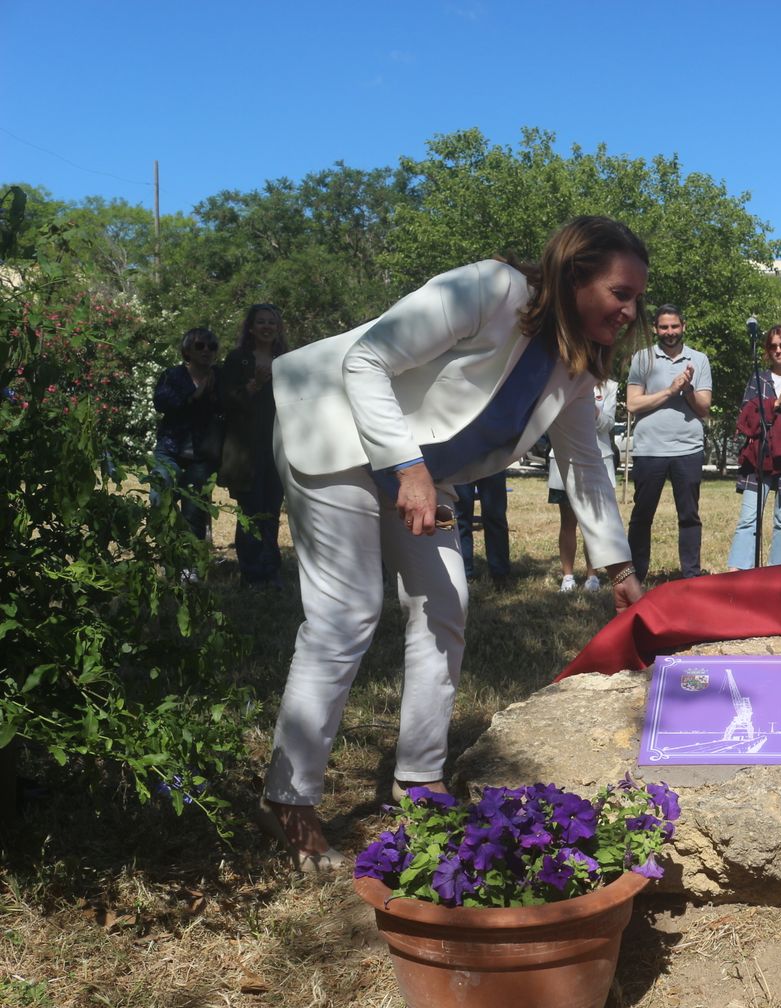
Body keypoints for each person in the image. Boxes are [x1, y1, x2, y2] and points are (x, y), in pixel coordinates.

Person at [257, 216, 648, 872]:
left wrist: (619, 568)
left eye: (636, 296)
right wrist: (408, 468)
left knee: (445, 605)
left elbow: (584, 464)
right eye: (620, 293)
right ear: (575, 275)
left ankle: (419, 777)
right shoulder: (491, 289)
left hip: (416, 470)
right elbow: (366, 360)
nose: (631, 310)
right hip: (332, 427)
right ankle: (288, 797)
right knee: (346, 614)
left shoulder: (574, 367)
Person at [625, 305, 712, 581]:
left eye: (674, 326)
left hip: (688, 449)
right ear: (655, 328)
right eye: (664, 327)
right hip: (649, 449)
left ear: (683, 326)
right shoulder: (642, 358)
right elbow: (633, 404)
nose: (670, 332)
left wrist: (687, 390)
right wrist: (669, 391)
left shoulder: (699, 360)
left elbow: (704, 408)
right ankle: (636, 576)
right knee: (642, 516)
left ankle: (691, 576)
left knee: (689, 516)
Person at [727, 324, 781, 569]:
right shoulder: (759, 378)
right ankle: (739, 571)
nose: (778, 350)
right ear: (767, 350)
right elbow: (747, 416)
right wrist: (777, 403)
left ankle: (780, 572)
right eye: (773, 346)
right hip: (759, 454)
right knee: (749, 517)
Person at [219, 304, 288, 589]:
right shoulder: (238, 359)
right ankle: (252, 574)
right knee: (251, 511)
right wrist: (253, 385)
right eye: (261, 322)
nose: (267, 327)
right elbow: (223, 401)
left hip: (278, 447)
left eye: (272, 322)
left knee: (271, 511)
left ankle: (271, 571)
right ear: (250, 327)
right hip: (246, 449)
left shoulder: (286, 360)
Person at [152, 328, 226, 552]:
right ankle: (164, 552)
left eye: (212, 346)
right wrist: (194, 396)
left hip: (202, 455)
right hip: (170, 450)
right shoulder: (173, 375)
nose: (206, 350)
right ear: (187, 351)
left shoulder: (220, 377)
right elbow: (161, 402)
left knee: (194, 511)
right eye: (200, 346)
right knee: (160, 498)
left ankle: (190, 562)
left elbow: (231, 405)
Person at [549, 378, 619, 592]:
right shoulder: (561, 380)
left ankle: (592, 576)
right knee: (567, 522)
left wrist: (592, 409)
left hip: (598, 461)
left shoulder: (610, 386)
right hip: (564, 458)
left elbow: (607, 424)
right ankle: (568, 577)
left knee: (594, 522)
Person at [454, 472, 511, 587]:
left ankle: (500, 574)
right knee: (460, 519)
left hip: (492, 462)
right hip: (458, 463)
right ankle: (463, 575)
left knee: (495, 516)